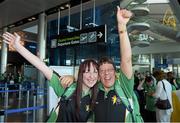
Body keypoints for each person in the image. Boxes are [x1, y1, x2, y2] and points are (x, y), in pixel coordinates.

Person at [2, 32, 99, 122]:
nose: (92, 76)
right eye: (87, 71)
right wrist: (18, 46)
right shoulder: (68, 87)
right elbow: (41, 66)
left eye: (95, 72)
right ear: (81, 74)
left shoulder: (97, 96)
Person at [93, 6, 143, 122]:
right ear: (98, 75)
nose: (106, 74)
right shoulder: (95, 90)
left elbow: (126, 59)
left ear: (115, 72)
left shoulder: (124, 87)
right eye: (102, 71)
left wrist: (122, 27)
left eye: (109, 70)